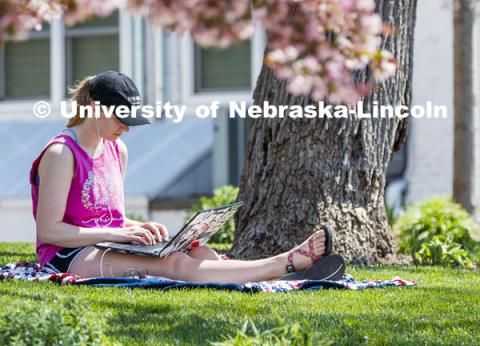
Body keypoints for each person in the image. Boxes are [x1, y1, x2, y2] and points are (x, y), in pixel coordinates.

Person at [30, 70, 343, 283]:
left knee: (198, 252)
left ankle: (281, 277)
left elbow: (106, 219)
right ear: (96, 108)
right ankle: (286, 264)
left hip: (103, 244)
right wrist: (119, 234)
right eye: (121, 118)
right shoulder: (62, 154)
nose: (126, 127)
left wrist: (137, 228)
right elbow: (50, 232)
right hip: (66, 256)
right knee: (175, 265)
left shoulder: (117, 150)